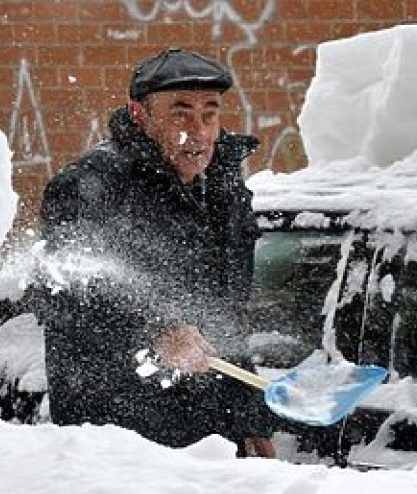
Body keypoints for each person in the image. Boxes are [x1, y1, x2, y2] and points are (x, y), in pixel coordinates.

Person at [38, 48, 275, 457]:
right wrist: (156, 330)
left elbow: (227, 313)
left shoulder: (224, 191)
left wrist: (247, 416)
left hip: (211, 442)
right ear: (139, 115)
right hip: (119, 442)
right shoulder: (91, 187)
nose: (198, 132)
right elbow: (62, 294)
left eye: (209, 114)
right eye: (179, 113)